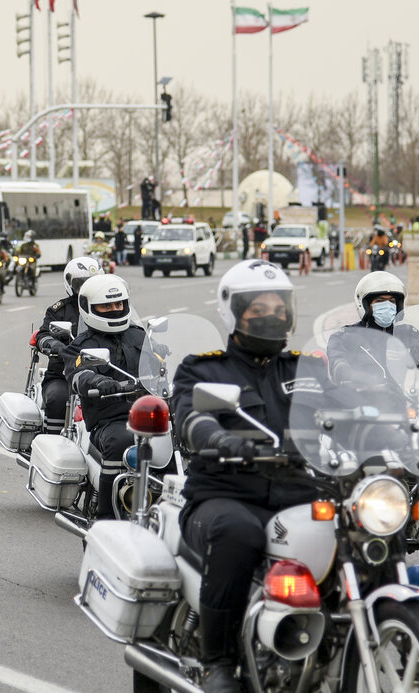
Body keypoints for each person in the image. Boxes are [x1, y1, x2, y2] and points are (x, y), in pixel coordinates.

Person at [170, 260, 316, 693]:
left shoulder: (307, 369)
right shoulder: (204, 369)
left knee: (363, 528)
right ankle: (219, 660)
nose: (270, 313)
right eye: (258, 306)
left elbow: (347, 413)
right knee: (239, 534)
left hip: (298, 494)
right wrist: (219, 437)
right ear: (234, 311)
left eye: (278, 305)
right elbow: (189, 418)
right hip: (223, 496)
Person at [66, 274, 146, 518]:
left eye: (118, 304)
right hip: (111, 419)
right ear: (89, 308)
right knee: (121, 442)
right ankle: (106, 520)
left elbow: (162, 364)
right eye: (106, 306)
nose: (114, 309)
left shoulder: (140, 335)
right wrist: (98, 380)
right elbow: (76, 374)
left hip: (150, 414)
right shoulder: (82, 344)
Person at [34, 257, 103, 432]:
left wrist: (149, 345)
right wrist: (55, 345)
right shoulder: (60, 310)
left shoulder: (108, 306)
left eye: (93, 282)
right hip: (63, 374)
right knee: (58, 398)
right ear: (70, 284)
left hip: (105, 374)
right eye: (82, 284)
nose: (87, 288)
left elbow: (129, 328)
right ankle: (52, 443)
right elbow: (43, 334)